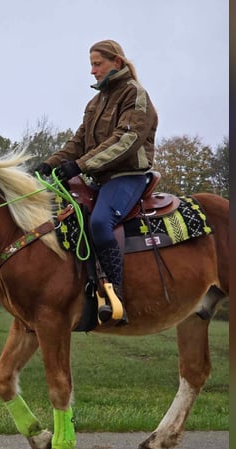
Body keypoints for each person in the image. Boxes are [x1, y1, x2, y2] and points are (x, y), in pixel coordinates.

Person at [35, 39, 158, 325]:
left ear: (117, 62)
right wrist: (49, 163)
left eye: (97, 64)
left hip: (128, 176)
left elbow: (126, 140)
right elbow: (78, 142)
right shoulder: (96, 101)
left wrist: (79, 166)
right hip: (99, 179)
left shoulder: (135, 94)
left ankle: (115, 296)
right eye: (91, 64)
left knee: (100, 222)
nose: (92, 71)